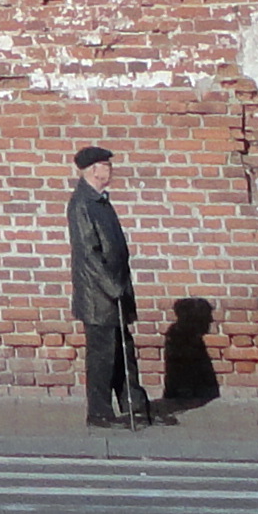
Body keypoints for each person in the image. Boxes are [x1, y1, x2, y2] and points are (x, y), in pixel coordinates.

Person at [69, 144, 161, 426]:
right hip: (100, 296)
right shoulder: (83, 204)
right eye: (107, 165)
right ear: (94, 169)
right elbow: (89, 254)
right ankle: (98, 413)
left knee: (123, 352)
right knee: (102, 358)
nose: (111, 170)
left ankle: (134, 406)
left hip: (114, 292)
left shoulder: (99, 200)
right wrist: (113, 288)